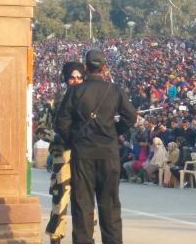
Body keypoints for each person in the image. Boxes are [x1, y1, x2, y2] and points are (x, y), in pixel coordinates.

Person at [56, 50, 137, 244]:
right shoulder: (114, 90)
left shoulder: (75, 91)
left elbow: (61, 123)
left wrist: (74, 140)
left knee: (82, 205)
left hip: (83, 153)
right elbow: (131, 117)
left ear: (85, 68)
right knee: (110, 205)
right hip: (108, 152)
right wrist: (114, 132)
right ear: (104, 67)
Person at [44, 62, 85, 244]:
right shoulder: (54, 102)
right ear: (66, 78)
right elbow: (42, 128)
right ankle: (56, 238)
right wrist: (60, 138)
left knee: (84, 203)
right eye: (72, 77)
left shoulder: (89, 101)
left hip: (84, 156)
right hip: (63, 157)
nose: (76, 81)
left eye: (79, 77)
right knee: (60, 202)